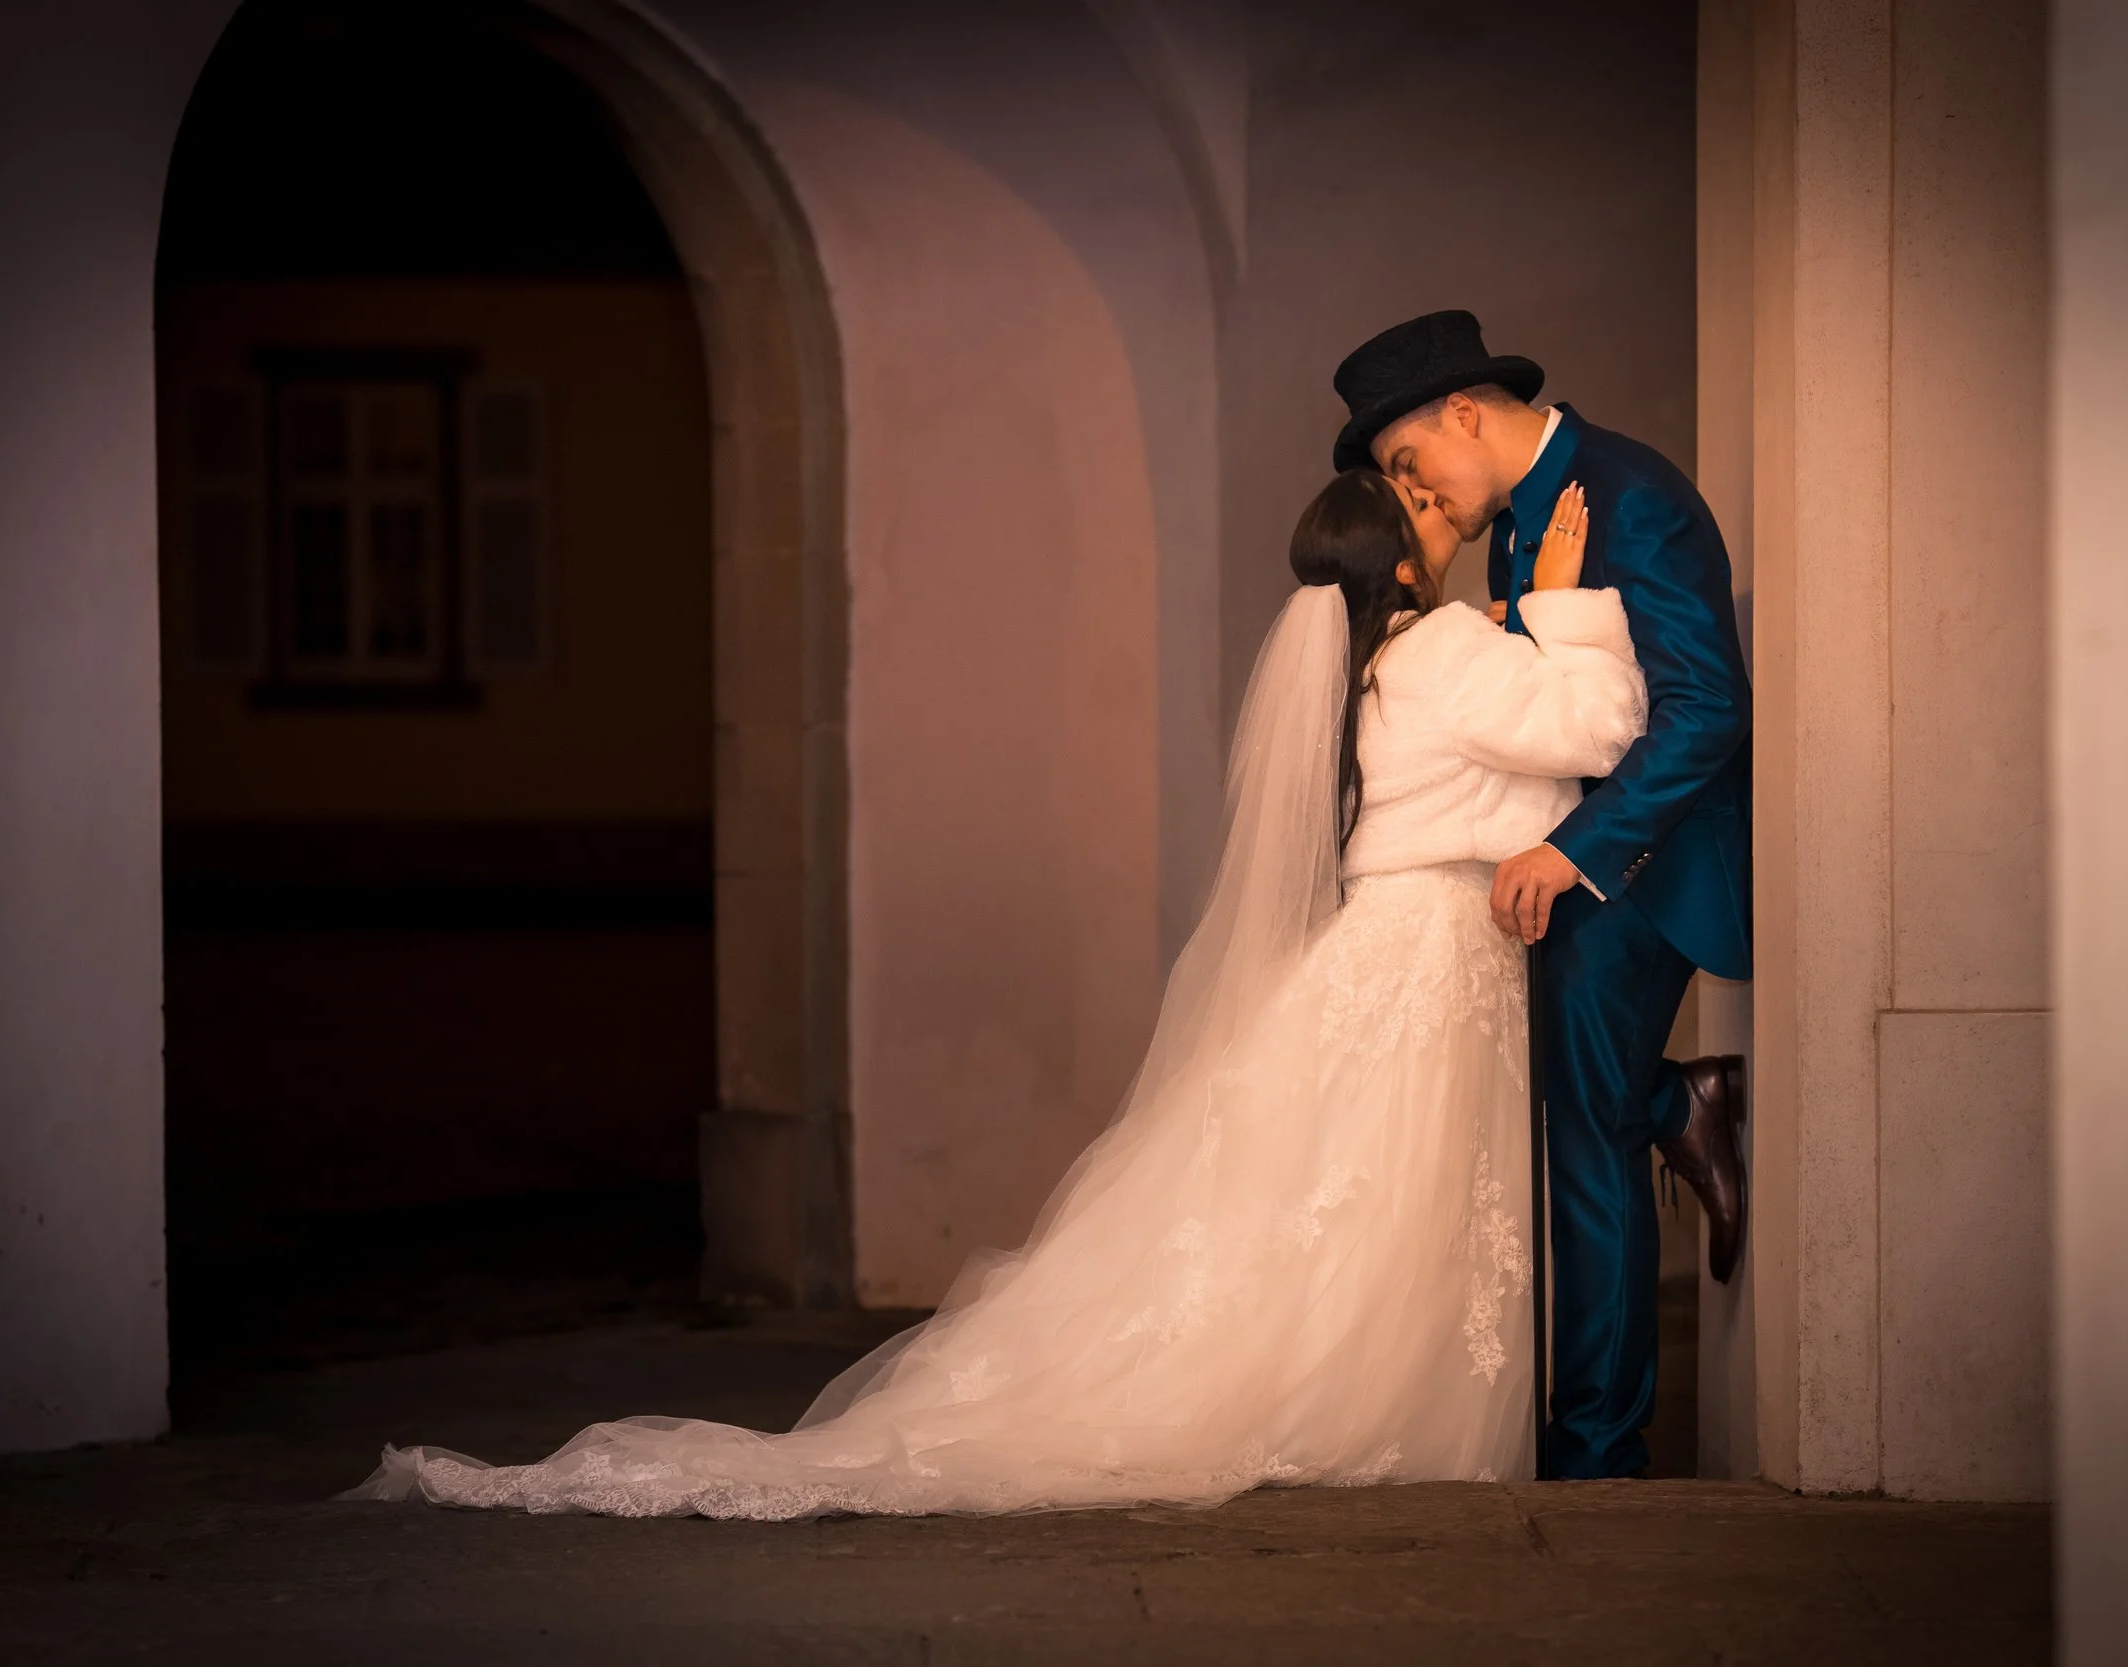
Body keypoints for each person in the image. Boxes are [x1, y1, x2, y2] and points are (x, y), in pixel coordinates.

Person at [348, 469, 1644, 1518]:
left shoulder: (1365, 664)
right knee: (1400, 1201)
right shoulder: (1448, 646)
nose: (1438, 502)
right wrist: (1566, 605)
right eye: (1415, 502)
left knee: (1355, 1203)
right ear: (1400, 567)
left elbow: (1509, 775)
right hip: (1431, 960)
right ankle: (1372, 1411)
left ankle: (1346, 1393)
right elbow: (1596, 733)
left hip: (1394, 946)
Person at [1333, 310, 1753, 1481]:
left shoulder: (1627, 492)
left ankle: (1598, 1451)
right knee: (1560, 1109)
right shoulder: (1526, 514)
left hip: (1641, 860)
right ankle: (1681, 1103)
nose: (1419, 495)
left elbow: (1706, 707)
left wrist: (1576, 851)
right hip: (1567, 859)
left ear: (1464, 412)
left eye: (1410, 461)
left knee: (1584, 1133)